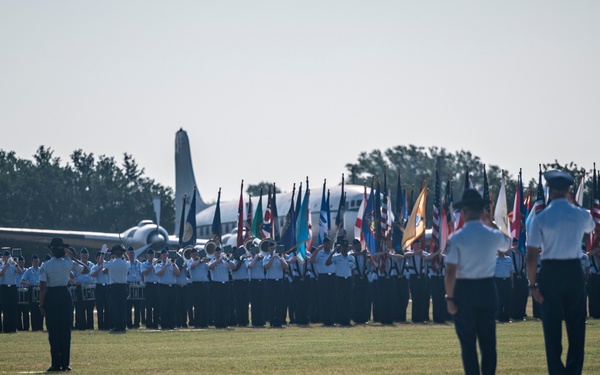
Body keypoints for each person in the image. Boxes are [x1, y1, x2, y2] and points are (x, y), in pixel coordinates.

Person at [526, 170, 595, 375]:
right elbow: (591, 226)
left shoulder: (541, 217)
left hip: (551, 272)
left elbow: (531, 256)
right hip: (574, 270)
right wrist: (574, 204)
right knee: (576, 328)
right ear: (568, 190)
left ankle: (556, 371)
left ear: (549, 190)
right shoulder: (579, 214)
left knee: (552, 328)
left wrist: (532, 285)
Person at [445, 189, 510, 375]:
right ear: (482, 212)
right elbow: (507, 244)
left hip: (464, 291)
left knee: (468, 344)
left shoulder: (456, 238)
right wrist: (492, 224)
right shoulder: (492, 235)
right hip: (487, 288)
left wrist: (450, 298)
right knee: (488, 343)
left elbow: (450, 272)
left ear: (463, 212)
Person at [39, 237, 89, 372]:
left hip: (52, 296)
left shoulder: (46, 265)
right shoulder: (68, 263)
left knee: (53, 331)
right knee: (66, 331)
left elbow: (43, 287)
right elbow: (86, 270)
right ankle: (65, 364)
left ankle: (55, 363)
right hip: (65, 296)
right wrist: (73, 258)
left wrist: (41, 305)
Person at [326, 239, 355, 326]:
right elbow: (327, 263)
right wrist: (333, 251)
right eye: (343, 247)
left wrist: (352, 282)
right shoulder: (336, 257)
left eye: (346, 247)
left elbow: (353, 271)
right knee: (340, 301)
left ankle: (347, 320)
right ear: (341, 247)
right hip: (340, 280)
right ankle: (341, 320)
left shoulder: (351, 257)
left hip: (348, 280)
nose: (345, 249)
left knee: (348, 301)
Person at [309, 237, 336, 326]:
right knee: (324, 299)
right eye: (326, 244)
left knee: (332, 299)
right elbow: (311, 260)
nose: (328, 245)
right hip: (323, 277)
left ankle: (332, 319)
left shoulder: (334, 253)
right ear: (323, 244)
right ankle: (324, 320)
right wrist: (317, 249)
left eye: (329, 243)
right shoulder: (320, 253)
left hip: (332, 277)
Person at [103, 245, 129, 332]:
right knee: (123, 307)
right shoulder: (125, 263)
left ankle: (117, 326)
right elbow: (129, 261)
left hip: (113, 288)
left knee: (115, 308)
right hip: (123, 287)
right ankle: (123, 326)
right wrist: (124, 252)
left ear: (114, 254)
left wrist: (103, 253)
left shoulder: (111, 263)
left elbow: (100, 263)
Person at [263, 243, 289, 328]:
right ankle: (272, 322)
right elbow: (266, 267)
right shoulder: (266, 258)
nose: (272, 250)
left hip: (279, 282)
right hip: (270, 282)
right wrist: (273, 257)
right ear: (268, 250)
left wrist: (279, 258)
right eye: (271, 248)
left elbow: (286, 267)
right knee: (271, 303)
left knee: (279, 303)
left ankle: (279, 322)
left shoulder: (280, 257)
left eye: (274, 248)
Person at [208, 246, 235, 328]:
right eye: (217, 253)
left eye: (219, 252)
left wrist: (227, 259)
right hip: (216, 285)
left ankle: (225, 323)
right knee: (217, 304)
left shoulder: (226, 261)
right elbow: (210, 267)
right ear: (214, 253)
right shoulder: (212, 261)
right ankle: (218, 323)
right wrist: (219, 260)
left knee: (225, 304)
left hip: (225, 284)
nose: (218, 254)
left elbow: (234, 267)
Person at [155, 248, 181, 330]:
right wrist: (166, 265)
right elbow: (159, 273)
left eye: (167, 255)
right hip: (163, 287)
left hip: (172, 287)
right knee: (163, 306)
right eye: (164, 255)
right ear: (161, 256)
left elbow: (178, 273)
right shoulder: (158, 265)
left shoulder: (173, 264)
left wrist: (173, 264)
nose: (166, 257)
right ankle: (164, 324)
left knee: (172, 306)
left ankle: (172, 324)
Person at [0, 249, 23, 333]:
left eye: (8, 257)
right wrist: (6, 265)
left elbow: (20, 272)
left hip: (12, 287)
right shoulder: (1, 265)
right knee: (6, 309)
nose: (7, 258)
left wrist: (15, 264)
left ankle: (13, 328)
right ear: (3, 258)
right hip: (4, 288)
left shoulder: (13, 266)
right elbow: (1, 274)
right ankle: (6, 328)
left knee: (13, 308)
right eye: (6, 257)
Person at [188, 247, 211, 328]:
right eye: (194, 254)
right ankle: (197, 323)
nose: (195, 255)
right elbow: (192, 266)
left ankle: (205, 323)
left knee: (205, 304)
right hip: (196, 285)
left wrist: (206, 260)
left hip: (204, 285)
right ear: (191, 255)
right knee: (197, 304)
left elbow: (210, 267)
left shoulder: (203, 262)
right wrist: (198, 260)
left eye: (196, 254)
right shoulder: (190, 261)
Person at [72, 248, 95, 330]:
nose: (85, 256)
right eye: (83, 254)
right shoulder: (76, 264)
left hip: (89, 287)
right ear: (80, 255)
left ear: (88, 255)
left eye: (86, 254)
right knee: (80, 307)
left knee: (90, 308)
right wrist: (75, 281)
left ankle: (90, 326)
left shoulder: (91, 265)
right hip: (80, 287)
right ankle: (81, 326)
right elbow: (72, 276)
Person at [21, 254, 43, 331]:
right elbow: (22, 281)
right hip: (32, 289)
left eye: (37, 261)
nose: (36, 263)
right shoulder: (29, 271)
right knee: (33, 309)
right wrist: (28, 283)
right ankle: (34, 327)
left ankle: (40, 326)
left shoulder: (41, 270)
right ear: (32, 262)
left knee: (40, 307)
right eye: (34, 261)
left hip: (40, 289)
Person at [91, 251, 110, 330]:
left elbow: (106, 271)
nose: (101, 259)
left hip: (106, 287)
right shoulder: (94, 267)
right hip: (98, 287)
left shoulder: (107, 265)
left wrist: (104, 266)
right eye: (99, 258)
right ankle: (100, 325)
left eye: (102, 258)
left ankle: (107, 325)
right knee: (99, 307)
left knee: (107, 307)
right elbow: (93, 274)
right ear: (96, 259)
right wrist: (100, 267)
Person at [141, 248, 159, 329]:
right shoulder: (144, 264)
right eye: (150, 255)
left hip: (156, 285)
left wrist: (155, 265)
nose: (152, 257)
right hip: (149, 285)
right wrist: (152, 265)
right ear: (147, 256)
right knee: (148, 306)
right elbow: (145, 273)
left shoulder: (157, 264)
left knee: (156, 306)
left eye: (153, 255)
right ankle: (148, 323)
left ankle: (156, 323)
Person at [125, 246, 143, 329]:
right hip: (128, 284)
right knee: (128, 306)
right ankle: (128, 323)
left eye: (132, 253)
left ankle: (136, 323)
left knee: (137, 305)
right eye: (129, 253)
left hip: (137, 284)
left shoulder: (138, 263)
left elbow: (141, 274)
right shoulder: (125, 263)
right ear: (127, 254)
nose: (131, 255)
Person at [494, 250, 513, 323]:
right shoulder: (494, 259)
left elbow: (511, 271)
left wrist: (512, 283)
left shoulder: (508, 259)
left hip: (507, 280)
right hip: (498, 281)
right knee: (499, 300)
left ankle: (506, 317)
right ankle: (499, 317)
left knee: (507, 300)